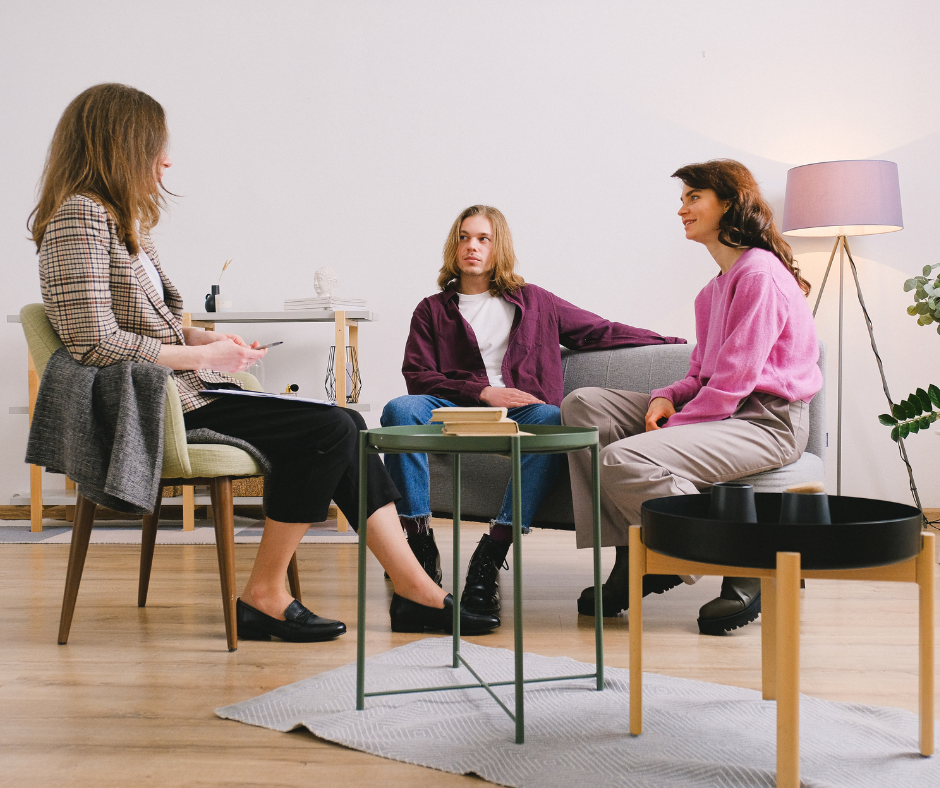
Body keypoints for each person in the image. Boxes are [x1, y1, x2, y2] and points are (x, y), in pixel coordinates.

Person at [28, 83, 500, 643]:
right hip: (150, 405)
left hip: (184, 389)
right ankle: (273, 595)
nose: (166, 159)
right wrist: (205, 355)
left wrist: (207, 336)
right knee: (328, 428)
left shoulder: (128, 221)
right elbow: (93, 343)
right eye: (156, 146)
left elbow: (148, 319)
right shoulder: (77, 217)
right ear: (120, 144)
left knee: (345, 424)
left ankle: (413, 590)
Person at [381, 204, 685, 614]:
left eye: (483, 238)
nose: (472, 246)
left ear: (497, 247)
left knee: (553, 419)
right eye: (464, 237)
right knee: (399, 409)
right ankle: (418, 543)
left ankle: (492, 551)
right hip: (456, 407)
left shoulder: (535, 301)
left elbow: (598, 331)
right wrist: (483, 392)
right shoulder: (432, 310)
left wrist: (668, 341)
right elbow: (417, 376)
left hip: (523, 410)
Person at [562, 159, 822, 635]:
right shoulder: (713, 290)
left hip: (766, 423)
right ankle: (636, 560)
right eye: (682, 199)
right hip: (727, 410)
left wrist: (674, 428)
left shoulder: (760, 274)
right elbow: (703, 376)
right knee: (583, 405)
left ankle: (744, 558)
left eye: (693, 197)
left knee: (622, 460)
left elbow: (733, 384)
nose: (681, 208)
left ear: (728, 203)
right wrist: (664, 398)